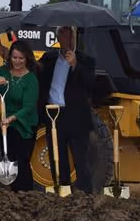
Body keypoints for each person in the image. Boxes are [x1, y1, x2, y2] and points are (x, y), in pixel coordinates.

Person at [35, 26, 96, 193]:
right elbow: (33, 71)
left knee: (80, 160)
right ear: (58, 37)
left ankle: (86, 196)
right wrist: (7, 58)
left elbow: (91, 84)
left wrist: (75, 64)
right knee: (57, 158)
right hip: (54, 115)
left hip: (76, 118)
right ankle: (62, 193)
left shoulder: (86, 60)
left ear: (75, 37)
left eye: (70, 34)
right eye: (62, 33)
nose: (66, 37)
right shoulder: (48, 58)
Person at [0, 41, 39, 191]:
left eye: (21, 58)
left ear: (27, 58)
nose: (17, 61)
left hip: (25, 126)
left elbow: (28, 107)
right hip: (6, 126)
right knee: (9, 160)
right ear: (10, 57)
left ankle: (26, 195)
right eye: (14, 57)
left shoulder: (31, 79)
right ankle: (12, 195)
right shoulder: (3, 71)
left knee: (22, 162)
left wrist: (11, 119)